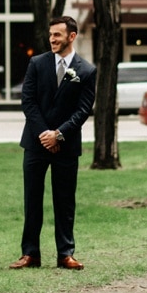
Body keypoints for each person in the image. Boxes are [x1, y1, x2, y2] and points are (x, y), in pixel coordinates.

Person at [10, 16, 96, 270]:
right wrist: (46, 135)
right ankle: (30, 254)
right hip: (36, 144)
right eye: (50, 35)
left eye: (57, 35)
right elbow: (28, 102)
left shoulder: (87, 71)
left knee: (65, 201)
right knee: (32, 199)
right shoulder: (36, 63)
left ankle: (65, 254)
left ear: (72, 36)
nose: (52, 39)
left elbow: (83, 110)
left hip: (66, 146)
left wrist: (59, 135)